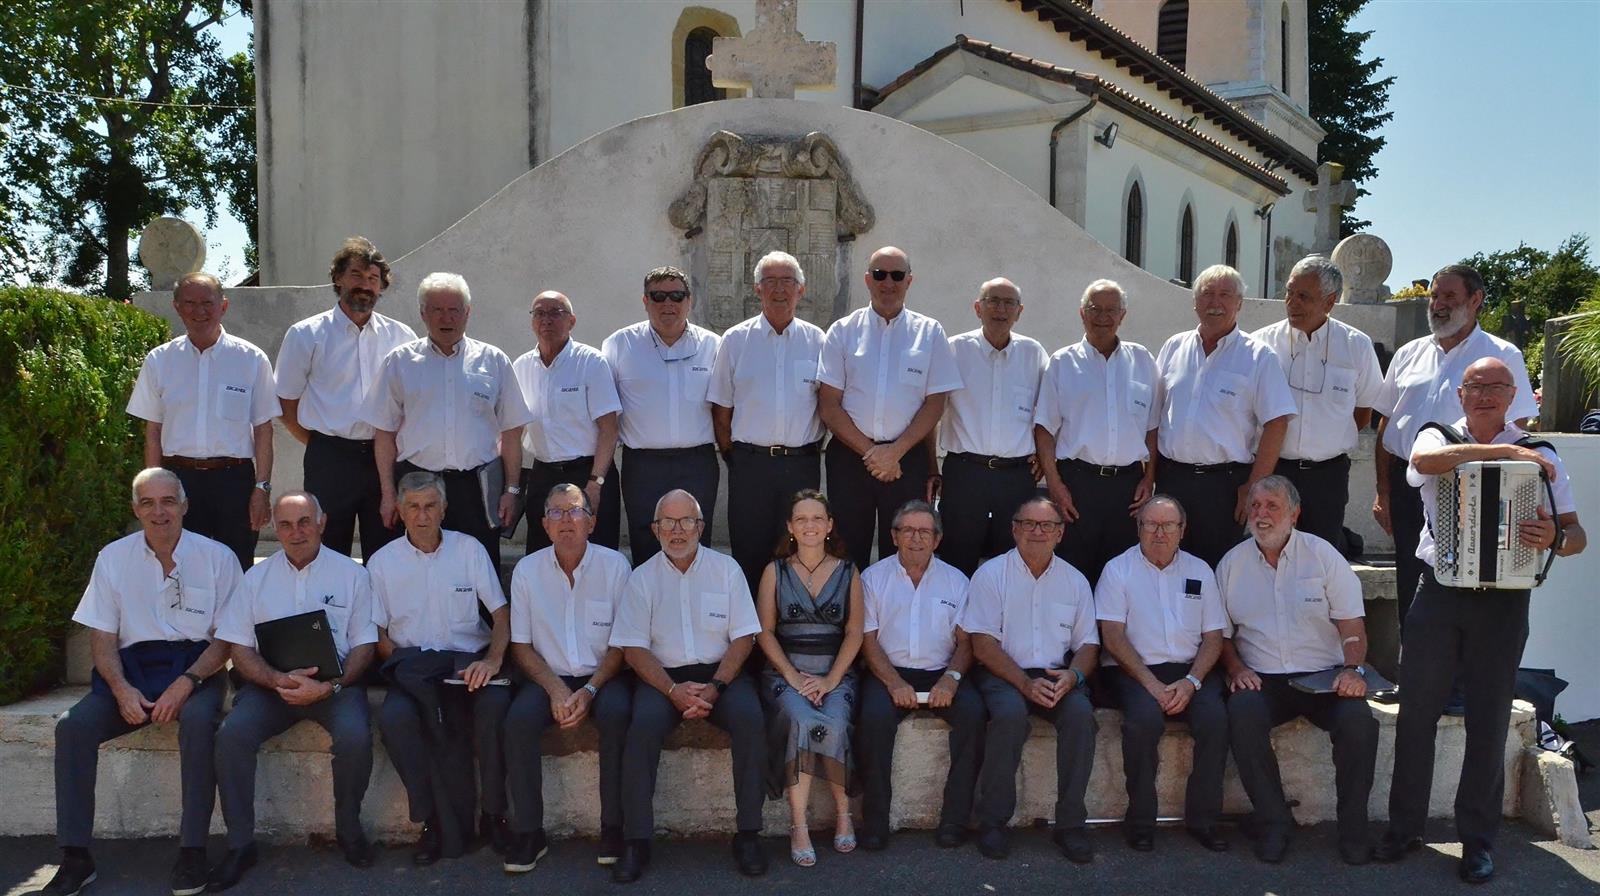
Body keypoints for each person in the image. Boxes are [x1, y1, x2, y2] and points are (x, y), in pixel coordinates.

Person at [1375, 357, 1585, 884]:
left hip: (1504, 602)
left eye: (1497, 386)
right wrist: (1505, 453)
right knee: (1416, 714)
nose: (1487, 393)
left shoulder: (1542, 454)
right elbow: (1424, 462)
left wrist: (1554, 539)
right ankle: (1404, 829)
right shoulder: (1437, 435)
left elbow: (1576, 534)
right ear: (1461, 394)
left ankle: (1477, 842)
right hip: (1438, 593)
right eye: (1476, 385)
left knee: (1488, 723)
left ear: (1514, 395)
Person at [43, 468, 238, 896]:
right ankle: (75, 857)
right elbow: (102, 638)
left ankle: (192, 851)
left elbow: (227, 639)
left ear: (184, 506)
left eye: (168, 501)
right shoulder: (113, 557)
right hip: (132, 670)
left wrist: (186, 682)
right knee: (72, 727)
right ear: (136, 510)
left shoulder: (218, 557)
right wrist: (121, 689)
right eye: (148, 503)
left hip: (196, 668)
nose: (159, 512)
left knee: (199, 723)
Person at [211, 492, 379, 889]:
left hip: (335, 686)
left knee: (356, 736)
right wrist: (275, 680)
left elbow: (365, 646)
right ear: (274, 528)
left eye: (304, 522)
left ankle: (349, 830)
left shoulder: (353, 575)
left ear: (322, 523)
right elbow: (239, 648)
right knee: (231, 736)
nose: (296, 532)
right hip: (271, 688)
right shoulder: (254, 579)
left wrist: (330, 686)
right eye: (285, 525)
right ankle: (240, 845)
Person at [1216, 476, 1377, 866]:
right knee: (1241, 712)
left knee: (1359, 723)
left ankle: (1354, 831)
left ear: (1294, 513)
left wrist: (1352, 669)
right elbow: (1219, 634)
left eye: (1272, 506)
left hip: (1324, 677)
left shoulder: (1323, 556)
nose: (1261, 514)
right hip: (1264, 678)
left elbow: (1352, 625)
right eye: (1255, 506)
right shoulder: (1232, 564)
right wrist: (1236, 668)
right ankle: (1274, 822)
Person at [608, 490, 767, 883]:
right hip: (662, 678)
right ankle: (637, 839)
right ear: (655, 529)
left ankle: (749, 834)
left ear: (701, 526)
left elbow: (744, 638)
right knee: (641, 728)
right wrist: (672, 691)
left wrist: (716, 686)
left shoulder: (727, 570)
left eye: (686, 522)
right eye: (668, 522)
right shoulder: (641, 578)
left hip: (721, 674)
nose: (677, 531)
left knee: (750, 719)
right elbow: (633, 649)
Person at [1372, 264, 1537, 639]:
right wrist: (1383, 492)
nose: (1439, 304)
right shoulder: (1409, 353)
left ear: (1475, 300)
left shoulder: (1502, 355)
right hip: (1406, 482)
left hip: (1467, 486)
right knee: (1410, 579)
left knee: (1465, 581)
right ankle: (1414, 665)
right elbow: (1387, 424)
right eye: (1434, 296)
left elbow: (1517, 427)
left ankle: (1461, 671)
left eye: (1449, 296)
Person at [366, 471, 513, 864]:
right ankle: (432, 822)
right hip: (412, 667)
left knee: (495, 711)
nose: (422, 515)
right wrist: (403, 669)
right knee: (396, 720)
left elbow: (501, 615)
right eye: (413, 507)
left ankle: (494, 815)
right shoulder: (382, 563)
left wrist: (492, 661)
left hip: (467, 666)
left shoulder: (469, 550)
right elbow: (378, 633)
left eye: (431, 506)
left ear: (444, 509)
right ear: (400, 511)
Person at [503, 483, 634, 873]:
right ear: (544, 525)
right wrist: (557, 690)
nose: (566, 520)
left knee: (618, 715)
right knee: (517, 722)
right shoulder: (527, 571)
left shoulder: (616, 567)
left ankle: (614, 827)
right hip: (548, 677)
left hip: (604, 676)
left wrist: (590, 690)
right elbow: (521, 646)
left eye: (575, 511)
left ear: (591, 522)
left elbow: (623, 644)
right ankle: (529, 832)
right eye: (556, 513)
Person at [961, 497, 1099, 863]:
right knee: (1009, 716)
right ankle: (993, 822)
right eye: (1029, 524)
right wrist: (1024, 683)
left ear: (1060, 533)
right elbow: (982, 644)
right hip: (1004, 672)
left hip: (1056, 673)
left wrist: (1074, 675)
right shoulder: (991, 575)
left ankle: (1070, 825)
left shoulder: (1075, 580)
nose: (1037, 532)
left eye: (1047, 525)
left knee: (1080, 717)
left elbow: (1088, 644)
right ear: (1014, 529)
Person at [365, 272, 532, 569]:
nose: (446, 318)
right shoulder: (399, 362)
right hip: (417, 486)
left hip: (477, 489)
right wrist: (389, 494)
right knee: (417, 568)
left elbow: (512, 433)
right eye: (437, 309)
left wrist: (511, 491)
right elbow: (384, 434)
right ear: (422, 314)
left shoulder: (494, 360)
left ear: (467, 313)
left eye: (454, 309)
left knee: (479, 570)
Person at [1095, 495, 1230, 852]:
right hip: (1133, 670)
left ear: (1182, 530)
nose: (1159, 533)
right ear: (1138, 528)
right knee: (1142, 722)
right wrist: (1152, 685)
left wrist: (1192, 682)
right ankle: (1140, 822)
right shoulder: (1117, 570)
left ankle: (1204, 821)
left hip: (1191, 671)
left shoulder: (1201, 570)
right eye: (1151, 525)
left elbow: (1214, 637)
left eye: (1168, 525)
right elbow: (1112, 637)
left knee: (1215, 720)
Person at [819, 246, 962, 569]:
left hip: (906, 459)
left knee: (904, 549)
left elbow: (935, 403)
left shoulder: (930, 333)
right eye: (880, 274)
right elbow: (829, 405)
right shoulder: (842, 331)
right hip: (850, 457)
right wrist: (873, 453)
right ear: (867, 280)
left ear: (909, 281)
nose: (888, 283)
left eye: (897, 275)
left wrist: (895, 452)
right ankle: (853, 604)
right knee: (846, 550)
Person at [274, 237, 416, 559]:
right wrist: (317, 441)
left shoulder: (402, 337)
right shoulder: (306, 334)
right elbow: (285, 401)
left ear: (382, 286)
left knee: (388, 551)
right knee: (327, 550)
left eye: (373, 278)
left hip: (385, 460)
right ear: (338, 278)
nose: (364, 285)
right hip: (330, 459)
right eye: (356, 275)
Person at [127, 272, 278, 570]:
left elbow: (263, 430)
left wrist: (262, 488)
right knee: (179, 566)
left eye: (207, 303)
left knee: (237, 568)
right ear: (177, 307)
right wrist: (152, 489)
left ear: (223, 306)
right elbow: (153, 431)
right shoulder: (159, 360)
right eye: (190, 303)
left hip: (234, 482)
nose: (199, 311)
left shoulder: (251, 359)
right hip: (179, 480)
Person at [856, 500, 984, 852]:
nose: (916, 538)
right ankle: (875, 823)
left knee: (974, 716)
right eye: (908, 530)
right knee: (872, 720)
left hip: (942, 672)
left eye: (924, 532)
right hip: (888, 672)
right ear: (894, 536)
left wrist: (951, 679)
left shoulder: (956, 580)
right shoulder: (872, 578)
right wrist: (894, 682)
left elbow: (967, 641)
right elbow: (867, 641)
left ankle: (955, 821)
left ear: (937, 539)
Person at [1153, 265, 1295, 567]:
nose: (1215, 302)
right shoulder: (1173, 347)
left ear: (1239, 303)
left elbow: (1277, 423)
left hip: (1225, 488)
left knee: (1218, 569)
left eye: (1225, 295)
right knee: (1165, 565)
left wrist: (1254, 486)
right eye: (1207, 294)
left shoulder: (1259, 356)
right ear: (1195, 302)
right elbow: (1155, 416)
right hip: (1171, 480)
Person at [754, 490, 865, 867]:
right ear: (790, 526)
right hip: (786, 672)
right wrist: (793, 676)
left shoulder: (849, 572)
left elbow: (855, 632)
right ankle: (798, 824)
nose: (810, 526)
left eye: (817, 518)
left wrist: (831, 680)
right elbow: (765, 632)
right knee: (801, 719)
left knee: (834, 722)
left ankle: (844, 814)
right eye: (801, 519)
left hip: (835, 673)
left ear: (830, 525)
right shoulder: (775, 571)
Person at [710, 252, 826, 590]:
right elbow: (721, 410)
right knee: (749, 551)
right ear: (757, 289)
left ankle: (793, 621)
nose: (779, 289)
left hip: (802, 464)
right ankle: (751, 623)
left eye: (787, 281)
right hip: (750, 466)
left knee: (800, 551)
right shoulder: (735, 340)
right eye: (770, 281)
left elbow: (827, 405)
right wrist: (735, 457)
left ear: (801, 289)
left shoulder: (818, 341)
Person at [1250, 256, 1381, 556]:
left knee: (1320, 558)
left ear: (1330, 301)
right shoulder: (1261, 344)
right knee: (1269, 553)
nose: (1291, 303)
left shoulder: (1356, 345)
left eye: (1303, 296)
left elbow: (1363, 410)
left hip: (1327, 476)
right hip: (1275, 470)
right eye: (1289, 293)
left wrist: (1327, 438)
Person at [1035, 279, 1159, 585]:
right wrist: (1054, 484)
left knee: (1122, 574)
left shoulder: (1143, 360)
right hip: (1077, 484)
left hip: (1128, 488)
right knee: (1073, 572)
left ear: (1122, 315)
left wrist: (1149, 479)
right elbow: (1044, 429)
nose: (1103, 317)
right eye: (1095, 309)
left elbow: (1153, 428)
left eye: (1111, 310)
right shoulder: (1062, 363)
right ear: (1082, 313)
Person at [602, 266, 722, 567]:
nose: (668, 303)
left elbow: (724, 407)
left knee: (696, 541)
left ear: (689, 300)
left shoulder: (713, 345)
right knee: (646, 541)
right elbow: (607, 413)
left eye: (676, 296)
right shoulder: (619, 345)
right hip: (643, 465)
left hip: (698, 462)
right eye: (658, 296)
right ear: (645, 301)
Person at [935, 277, 1047, 576]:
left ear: (1019, 311)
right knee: (956, 558)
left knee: (1013, 561)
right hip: (965, 474)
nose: (1001, 309)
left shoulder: (1033, 353)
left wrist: (1044, 458)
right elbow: (932, 411)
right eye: (993, 301)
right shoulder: (954, 350)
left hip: (1016, 476)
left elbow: (1050, 412)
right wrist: (931, 467)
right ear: (977, 308)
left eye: (1009, 303)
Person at [511, 290, 623, 554]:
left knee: (597, 555)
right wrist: (512, 488)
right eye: (539, 313)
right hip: (542, 476)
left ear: (572, 321)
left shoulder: (591, 362)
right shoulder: (521, 367)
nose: (546, 320)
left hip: (588, 474)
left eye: (555, 313)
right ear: (532, 321)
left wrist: (595, 483)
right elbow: (512, 432)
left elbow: (609, 429)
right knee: (542, 555)